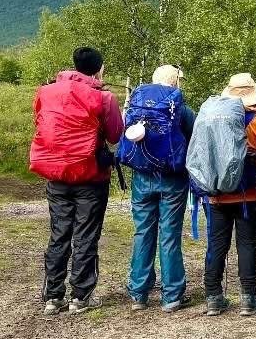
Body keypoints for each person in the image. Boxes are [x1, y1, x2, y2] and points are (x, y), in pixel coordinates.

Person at [30, 47, 124, 315]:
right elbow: (115, 135)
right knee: (85, 234)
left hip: (56, 173)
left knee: (59, 232)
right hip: (90, 175)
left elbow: (41, 121)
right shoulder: (103, 98)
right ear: (99, 69)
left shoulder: (45, 91)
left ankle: (53, 296)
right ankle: (80, 297)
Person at [122, 65, 196, 312]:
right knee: (169, 235)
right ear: (175, 82)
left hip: (142, 177)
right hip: (173, 179)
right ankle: (171, 295)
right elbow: (193, 139)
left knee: (142, 232)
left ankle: (138, 294)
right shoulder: (181, 110)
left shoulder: (138, 104)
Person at [204, 73, 256, 317]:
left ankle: (213, 297)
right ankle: (248, 297)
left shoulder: (213, 118)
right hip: (250, 194)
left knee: (216, 243)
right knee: (246, 243)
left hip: (216, 192)